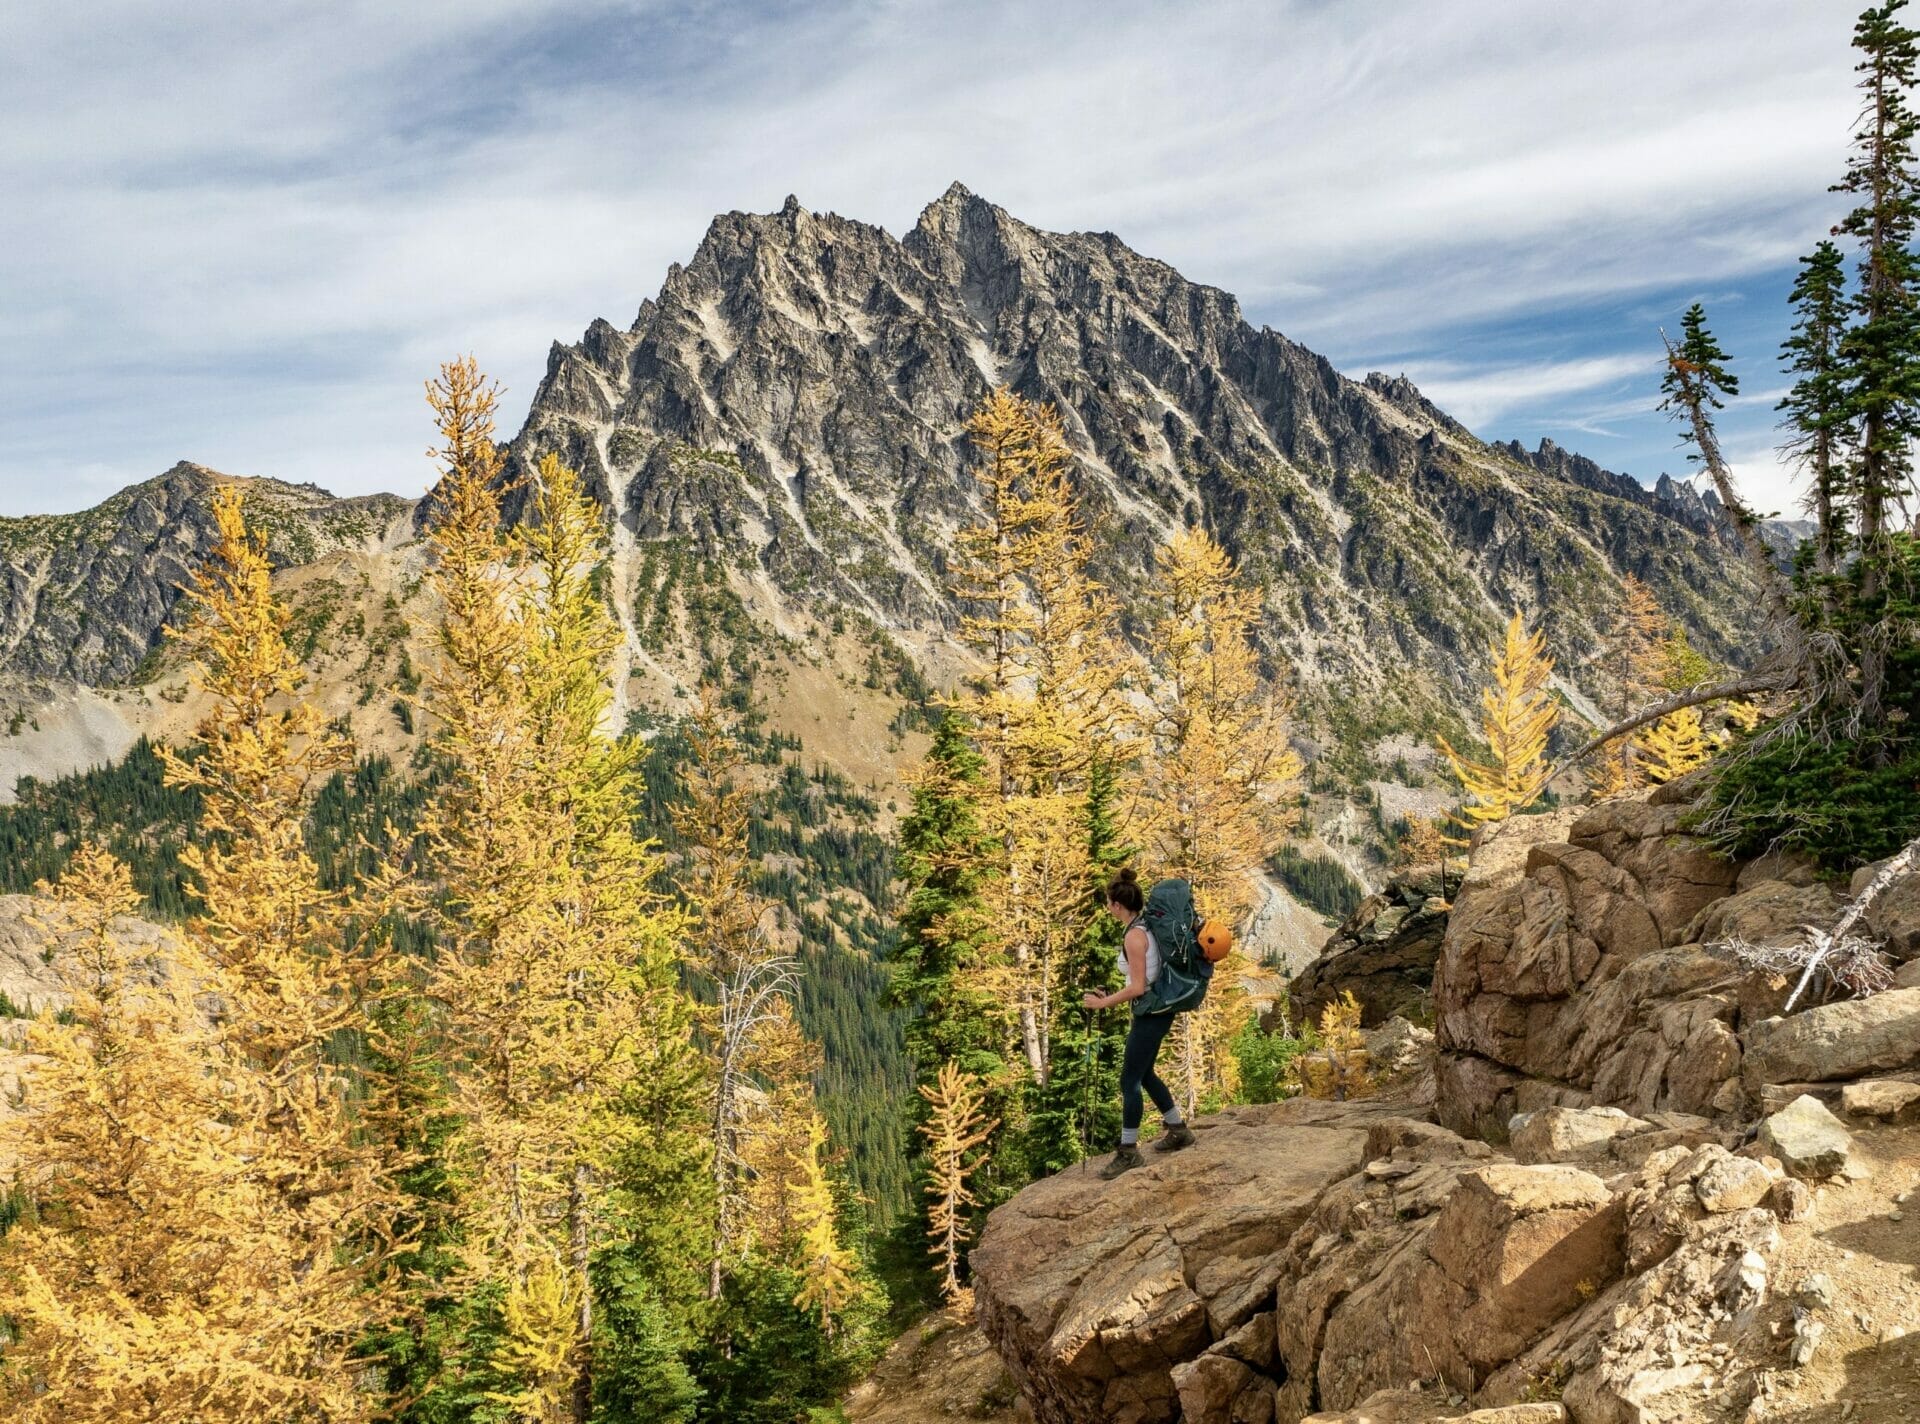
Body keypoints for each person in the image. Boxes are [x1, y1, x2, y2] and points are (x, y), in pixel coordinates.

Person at [1082, 869, 1194, 1178]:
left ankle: (1129, 1152)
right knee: (1145, 1075)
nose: (1107, 906)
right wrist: (1112, 991)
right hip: (1157, 1010)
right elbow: (1141, 975)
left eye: (1108, 902)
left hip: (1150, 1013)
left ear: (1117, 905)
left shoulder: (1133, 935)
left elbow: (1138, 987)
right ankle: (1178, 1130)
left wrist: (1101, 1003)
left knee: (1128, 1082)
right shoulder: (1144, 925)